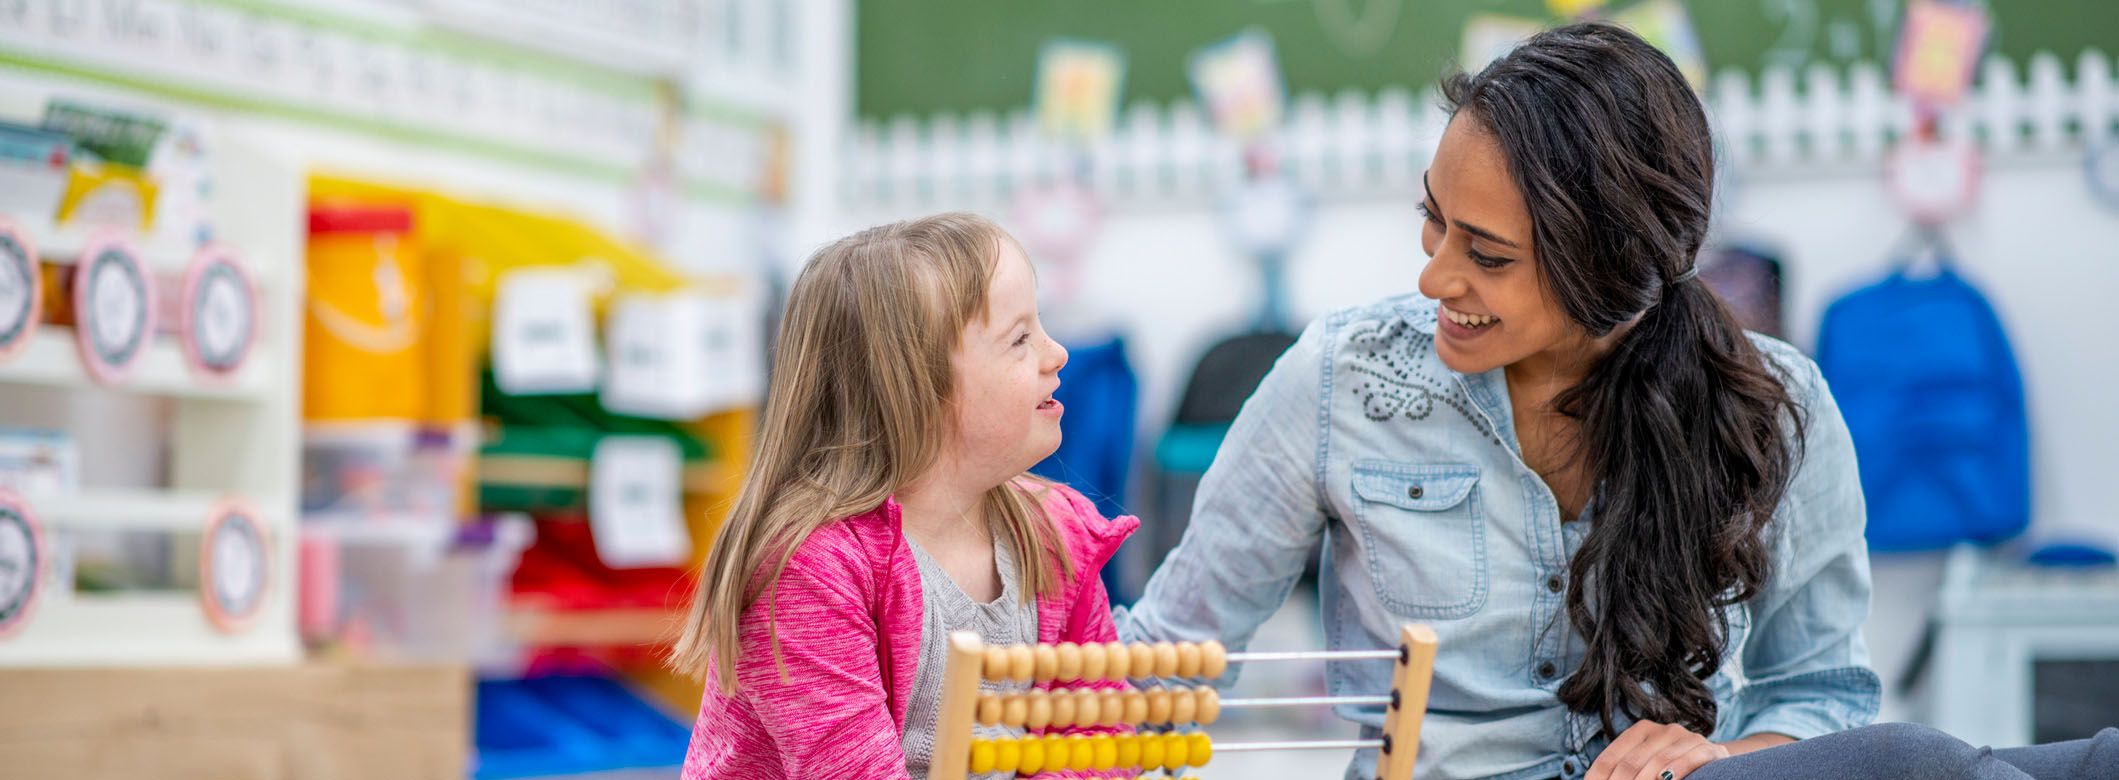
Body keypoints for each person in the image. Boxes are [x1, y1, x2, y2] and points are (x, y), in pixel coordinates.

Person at [1116, 22, 2117, 780]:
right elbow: (1174, 653)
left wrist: (1721, 758)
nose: (1434, 280)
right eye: (1434, 223)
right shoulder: (1340, 382)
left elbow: (1820, 693)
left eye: (1489, 255)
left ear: (1618, 269)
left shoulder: (1774, 406)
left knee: (1917, 763)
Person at [672, 212, 1136, 778]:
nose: (1057, 353)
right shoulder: (808, 572)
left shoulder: (1057, 534)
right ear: (918, 388)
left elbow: (1100, 739)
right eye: (1020, 339)